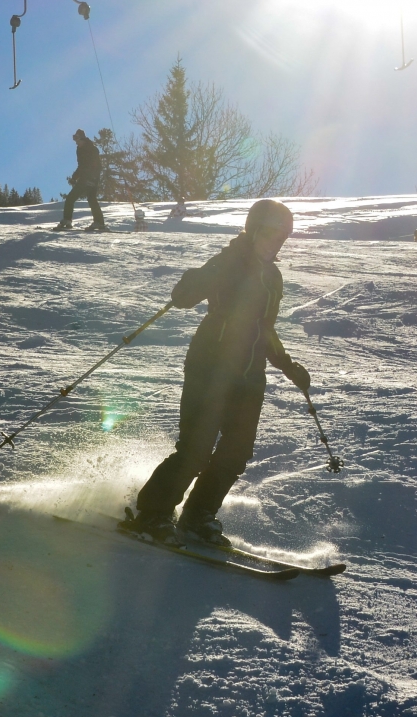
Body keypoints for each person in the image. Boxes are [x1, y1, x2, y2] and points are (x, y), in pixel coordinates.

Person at [124, 199, 310, 547]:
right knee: (196, 448)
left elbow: (264, 328)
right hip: (210, 367)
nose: (275, 242)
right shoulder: (230, 261)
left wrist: (288, 365)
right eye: (270, 233)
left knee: (236, 453)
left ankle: (197, 516)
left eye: (283, 237)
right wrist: (204, 277)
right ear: (253, 230)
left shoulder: (273, 276)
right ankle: (154, 512)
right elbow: (183, 296)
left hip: (249, 376)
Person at [53, 128, 106, 232]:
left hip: (90, 178)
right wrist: (74, 177)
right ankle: (98, 222)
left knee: (71, 198)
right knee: (91, 199)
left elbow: (97, 166)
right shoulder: (79, 150)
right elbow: (81, 166)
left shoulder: (91, 149)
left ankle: (68, 220)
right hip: (86, 177)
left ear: (82, 138)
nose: (76, 142)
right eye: (75, 140)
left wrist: (93, 178)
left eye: (77, 139)